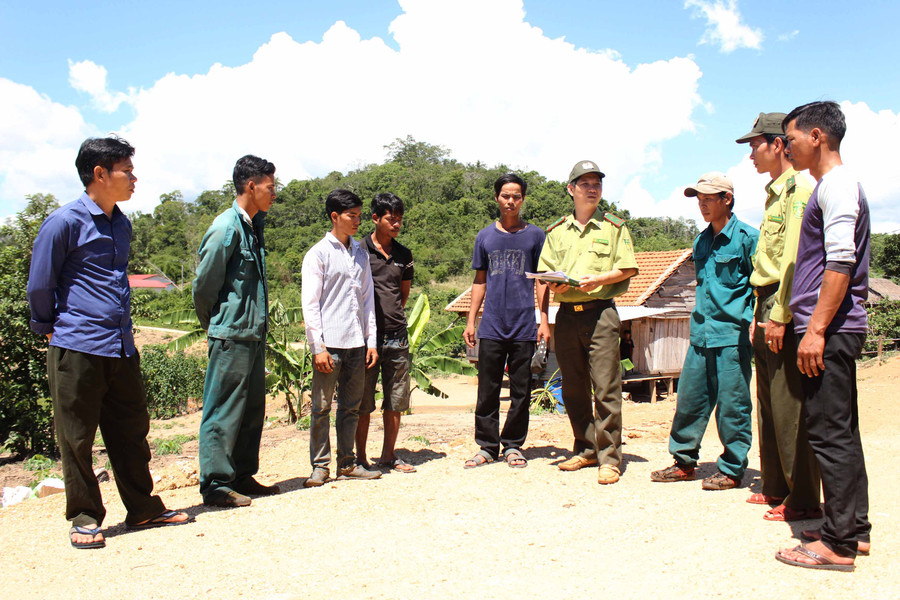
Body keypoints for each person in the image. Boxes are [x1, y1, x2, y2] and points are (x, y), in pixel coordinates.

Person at [27, 136, 191, 549]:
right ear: (100, 174)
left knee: (131, 430)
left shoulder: (121, 223)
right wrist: (48, 326)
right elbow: (40, 284)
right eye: (127, 171)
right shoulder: (63, 222)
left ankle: (143, 509)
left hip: (120, 346)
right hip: (76, 345)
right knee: (77, 438)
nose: (134, 178)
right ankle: (84, 517)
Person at [775, 101, 872, 572]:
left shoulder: (836, 186)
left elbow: (840, 262)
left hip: (829, 330)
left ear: (816, 136)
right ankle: (852, 527)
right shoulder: (832, 186)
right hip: (833, 327)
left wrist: (814, 330)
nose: (785, 148)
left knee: (829, 433)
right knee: (842, 431)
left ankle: (838, 546)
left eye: (789, 139)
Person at [736, 113, 821, 520]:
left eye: (755, 145)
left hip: (782, 304)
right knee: (768, 401)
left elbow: (792, 260)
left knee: (789, 405)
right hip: (765, 301)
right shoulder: (775, 193)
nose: (751, 154)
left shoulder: (799, 190)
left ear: (776, 144)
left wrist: (781, 314)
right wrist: (760, 311)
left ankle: (802, 497)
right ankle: (774, 486)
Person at [650, 172, 758, 491]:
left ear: (727, 199)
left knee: (732, 405)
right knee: (690, 400)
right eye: (699, 200)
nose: (702, 206)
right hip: (701, 334)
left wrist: (755, 324)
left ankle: (732, 469)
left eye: (709, 199)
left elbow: (762, 286)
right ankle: (684, 463)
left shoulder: (748, 238)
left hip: (734, 335)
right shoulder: (701, 241)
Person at [537, 161, 638, 484]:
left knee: (607, 387)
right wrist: (556, 284)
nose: (592, 189)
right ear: (571, 190)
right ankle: (585, 448)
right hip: (566, 316)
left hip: (601, 313)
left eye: (597, 184)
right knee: (573, 386)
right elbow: (545, 273)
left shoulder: (614, 226)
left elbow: (627, 269)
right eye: (585, 184)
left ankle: (610, 457)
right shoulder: (556, 231)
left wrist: (602, 278)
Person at [193, 155, 280, 508]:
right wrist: (217, 325)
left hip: (252, 335)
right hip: (231, 335)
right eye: (271, 187)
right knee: (223, 411)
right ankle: (215, 483)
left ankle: (242, 476)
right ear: (251, 186)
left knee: (251, 410)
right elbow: (204, 287)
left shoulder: (254, 226)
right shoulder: (226, 227)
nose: (275, 194)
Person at [462, 173, 550, 469]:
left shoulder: (536, 236)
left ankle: (513, 445)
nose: (510, 201)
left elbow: (542, 282)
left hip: (524, 326)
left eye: (516, 196)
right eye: (505, 195)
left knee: (521, 390)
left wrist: (544, 321)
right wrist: (471, 320)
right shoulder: (485, 236)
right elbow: (479, 280)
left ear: (522, 199)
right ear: (496, 198)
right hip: (492, 326)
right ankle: (487, 447)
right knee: (486, 390)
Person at [302, 189, 381, 486]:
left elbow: (367, 300)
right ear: (335, 217)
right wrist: (317, 346)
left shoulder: (360, 254)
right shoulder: (318, 254)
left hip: (356, 343)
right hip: (329, 346)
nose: (357, 221)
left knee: (351, 407)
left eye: (359, 215)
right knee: (321, 408)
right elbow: (310, 303)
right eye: (352, 216)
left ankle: (347, 464)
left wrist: (371, 340)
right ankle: (320, 466)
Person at [355, 193, 417, 473]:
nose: (396, 225)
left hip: (397, 336)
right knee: (362, 401)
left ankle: (388, 456)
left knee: (395, 399)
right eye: (391, 219)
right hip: (364, 338)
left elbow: (403, 296)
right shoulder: (358, 251)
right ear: (376, 218)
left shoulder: (404, 255)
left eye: (400, 220)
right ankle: (359, 459)